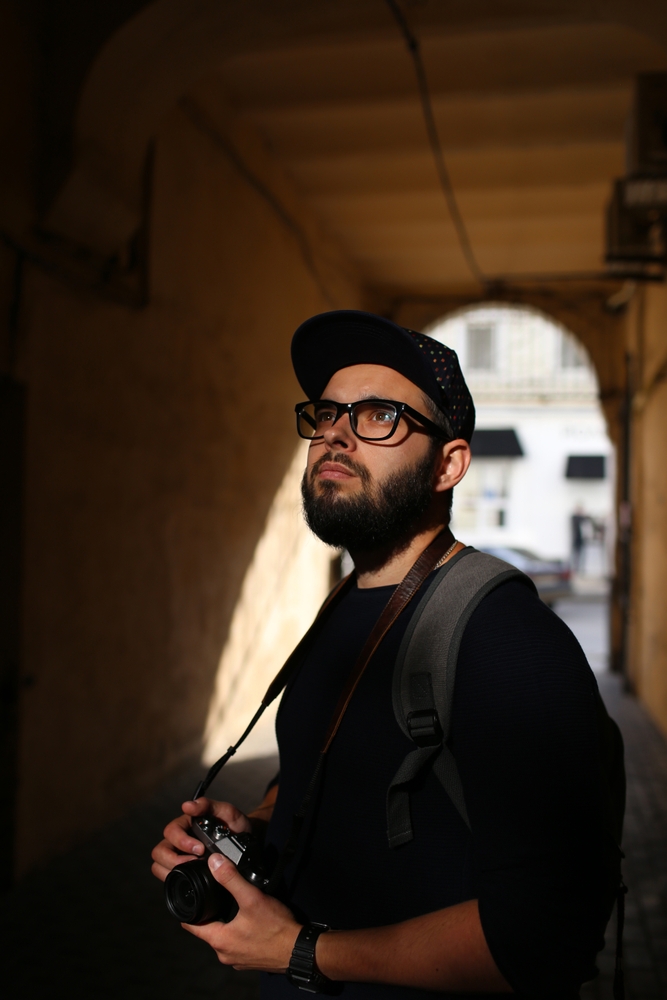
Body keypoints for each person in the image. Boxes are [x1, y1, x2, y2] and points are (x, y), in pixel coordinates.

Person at [152, 311, 612, 1000]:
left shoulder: (508, 641)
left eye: (380, 416)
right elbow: (322, 770)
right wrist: (258, 823)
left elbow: (547, 935)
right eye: (327, 412)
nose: (336, 433)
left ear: (448, 465)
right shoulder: (343, 604)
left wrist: (300, 951)